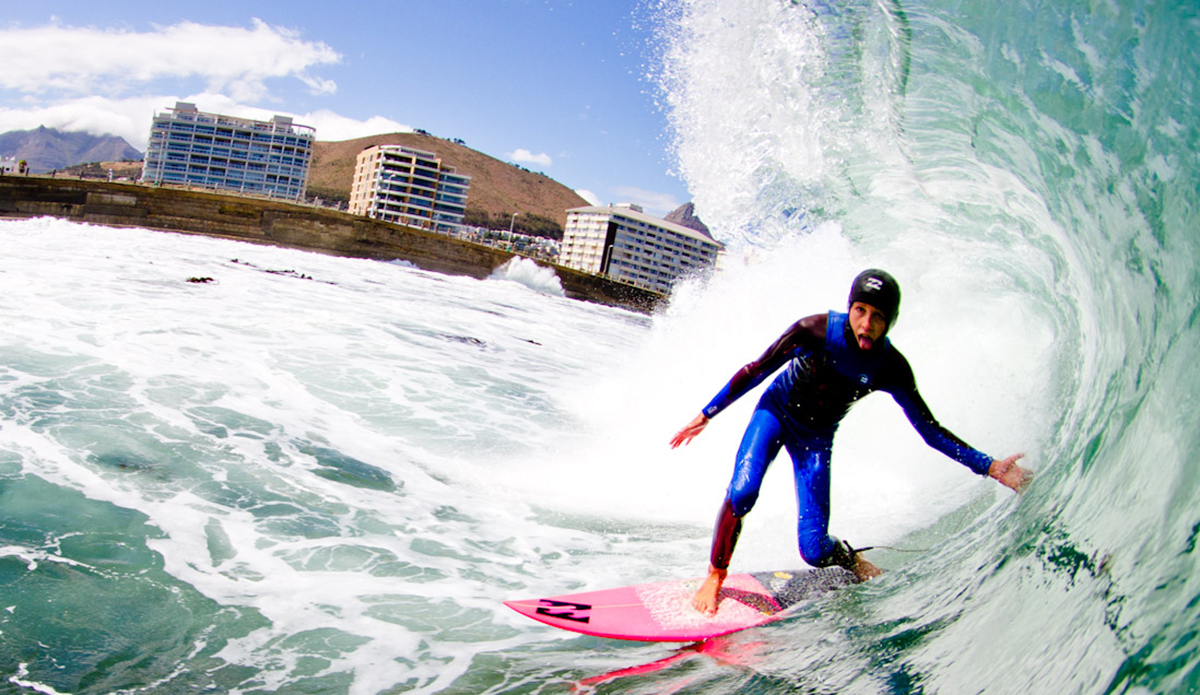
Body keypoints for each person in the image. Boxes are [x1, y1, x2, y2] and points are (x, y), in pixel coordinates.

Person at [671, 269, 1031, 616]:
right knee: (743, 492)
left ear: (890, 322)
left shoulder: (890, 367)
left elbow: (929, 429)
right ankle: (716, 576)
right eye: (860, 311)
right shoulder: (812, 331)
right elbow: (758, 368)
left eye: (877, 317)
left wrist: (991, 466)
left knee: (813, 550)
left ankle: (851, 558)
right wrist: (707, 414)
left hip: (816, 438)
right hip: (776, 413)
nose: (866, 324)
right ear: (850, 307)